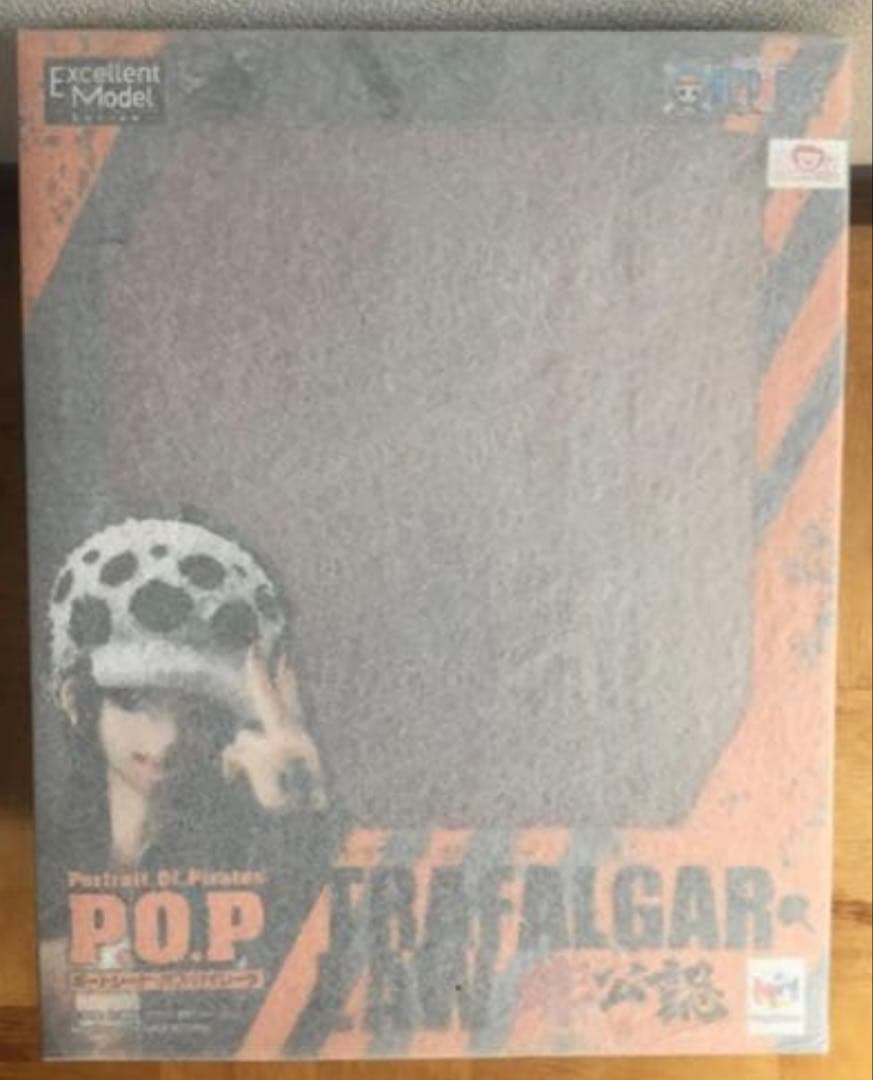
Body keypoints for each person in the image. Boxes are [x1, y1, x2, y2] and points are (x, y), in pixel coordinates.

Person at [38, 516, 332, 1056]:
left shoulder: (260, 870)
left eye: (196, 711)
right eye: (134, 700)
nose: (168, 738)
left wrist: (304, 816)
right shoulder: (35, 867)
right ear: (79, 702)